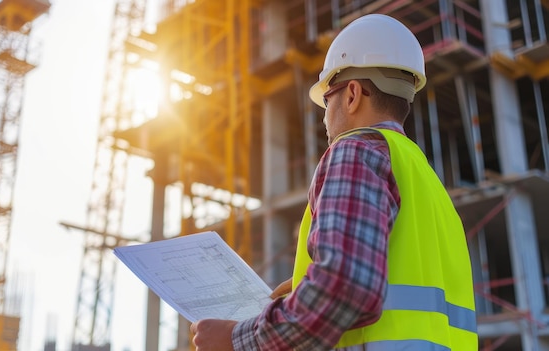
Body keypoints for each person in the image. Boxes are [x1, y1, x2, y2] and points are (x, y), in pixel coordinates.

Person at [190, 14, 477, 350]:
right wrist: (306, 290)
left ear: (352, 94)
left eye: (327, 100)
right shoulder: (426, 181)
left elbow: (344, 287)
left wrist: (236, 340)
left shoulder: (355, 150)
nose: (325, 118)